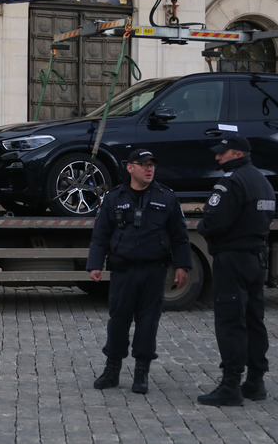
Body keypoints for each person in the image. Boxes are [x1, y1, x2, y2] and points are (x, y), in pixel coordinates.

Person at [86, 148, 192, 394]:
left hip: (154, 271)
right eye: (143, 164)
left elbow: (180, 236)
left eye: (152, 164)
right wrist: (94, 264)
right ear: (130, 167)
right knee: (118, 321)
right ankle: (112, 370)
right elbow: (101, 235)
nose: (149, 168)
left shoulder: (166, 197)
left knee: (148, 323)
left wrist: (183, 265)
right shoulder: (113, 198)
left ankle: (141, 373)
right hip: (123, 271)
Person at [196, 135, 276, 407]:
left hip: (233, 258)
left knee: (231, 320)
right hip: (256, 257)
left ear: (237, 154)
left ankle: (231, 384)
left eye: (222, 153)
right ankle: (255, 381)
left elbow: (214, 221)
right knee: (254, 320)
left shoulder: (231, 182)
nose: (217, 158)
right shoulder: (263, 182)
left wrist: (203, 228)